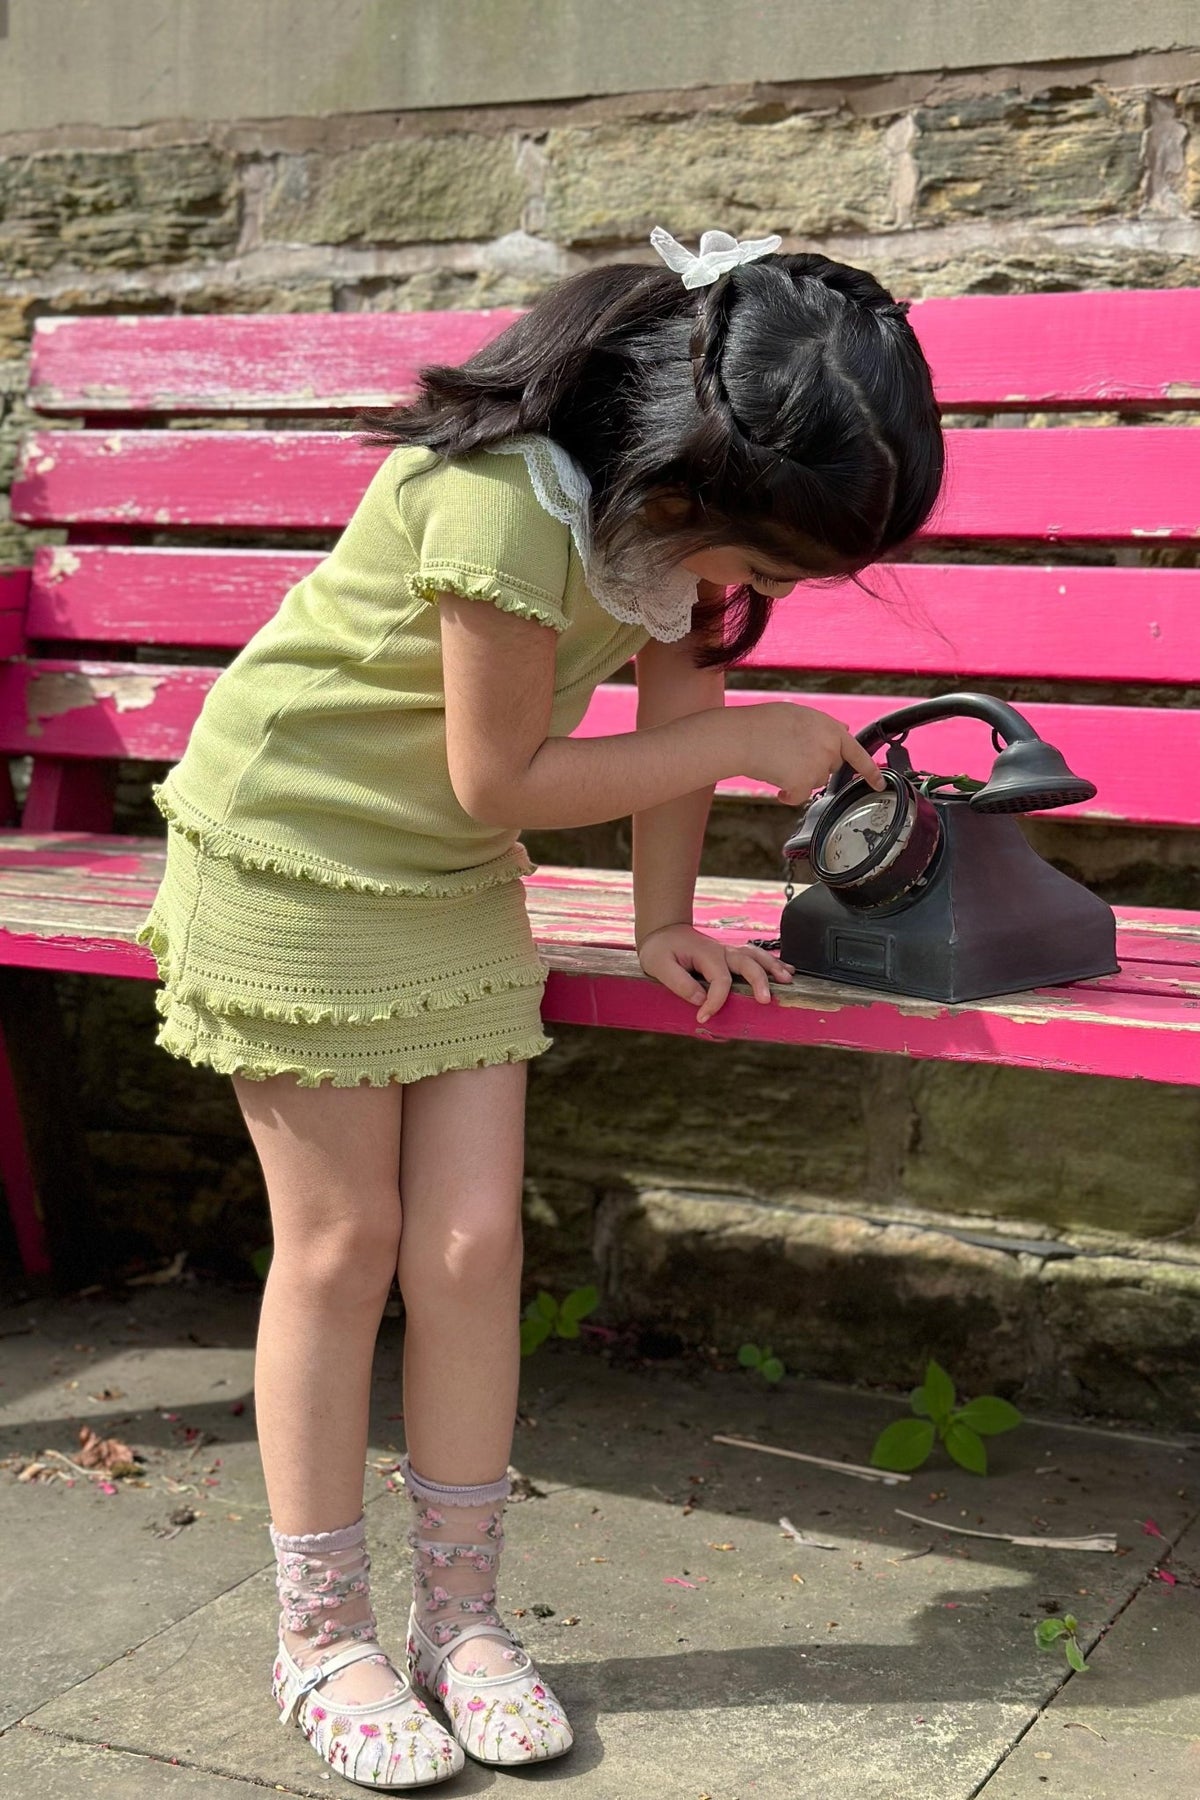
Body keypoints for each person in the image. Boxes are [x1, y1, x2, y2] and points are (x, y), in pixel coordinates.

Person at [136, 225, 944, 1789]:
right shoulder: (507, 499)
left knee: (471, 1248)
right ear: (692, 478)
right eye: (768, 567)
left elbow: (681, 703)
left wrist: (662, 921)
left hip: (445, 882)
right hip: (293, 857)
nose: (760, 596)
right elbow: (500, 775)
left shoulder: (669, 520)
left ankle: (460, 1621)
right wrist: (750, 746)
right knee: (345, 1246)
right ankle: (321, 1636)